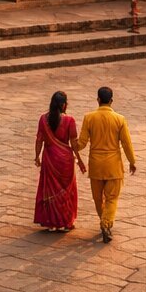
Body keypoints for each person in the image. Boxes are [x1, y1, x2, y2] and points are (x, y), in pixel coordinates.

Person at [76, 86, 136, 242]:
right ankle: (106, 223)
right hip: (113, 165)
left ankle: (104, 222)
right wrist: (132, 161)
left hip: (96, 165)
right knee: (112, 198)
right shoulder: (119, 119)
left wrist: (68, 142)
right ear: (111, 101)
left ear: (98, 100)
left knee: (98, 199)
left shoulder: (89, 118)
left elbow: (81, 143)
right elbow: (126, 143)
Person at [34, 91, 84, 232]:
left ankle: (50, 222)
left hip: (49, 158)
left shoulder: (43, 119)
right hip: (65, 161)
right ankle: (64, 222)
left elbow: (39, 140)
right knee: (65, 191)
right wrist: (79, 160)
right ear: (63, 105)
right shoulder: (69, 120)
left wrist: (37, 156)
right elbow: (73, 142)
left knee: (50, 188)